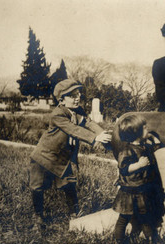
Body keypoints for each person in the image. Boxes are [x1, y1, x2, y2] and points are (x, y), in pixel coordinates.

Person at [29, 79, 111, 230]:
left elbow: (88, 122)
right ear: (61, 100)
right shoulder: (58, 114)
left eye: (78, 94)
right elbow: (74, 129)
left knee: (69, 185)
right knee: (38, 187)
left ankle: (74, 215)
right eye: (72, 95)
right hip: (43, 156)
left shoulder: (78, 111)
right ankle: (38, 217)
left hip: (61, 159)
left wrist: (103, 133)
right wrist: (94, 138)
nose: (77, 97)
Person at [113, 114, 165, 244]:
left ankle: (151, 243)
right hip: (130, 192)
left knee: (145, 218)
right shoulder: (126, 150)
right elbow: (123, 169)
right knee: (123, 219)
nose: (147, 129)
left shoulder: (145, 147)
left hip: (142, 191)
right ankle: (119, 243)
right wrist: (138, 165)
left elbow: (157, 150)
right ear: (135, 133)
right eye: (144, 128)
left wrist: (154, 139)